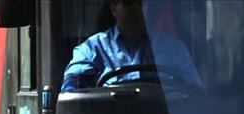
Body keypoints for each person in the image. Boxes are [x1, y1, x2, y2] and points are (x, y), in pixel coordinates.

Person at [61, 0, 202, 92]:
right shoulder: (91, 49)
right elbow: (70, 95)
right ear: (113, 8)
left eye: (140, 4)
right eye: (128, 3)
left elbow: (195, 94)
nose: (136, 10)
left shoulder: (174, 48)